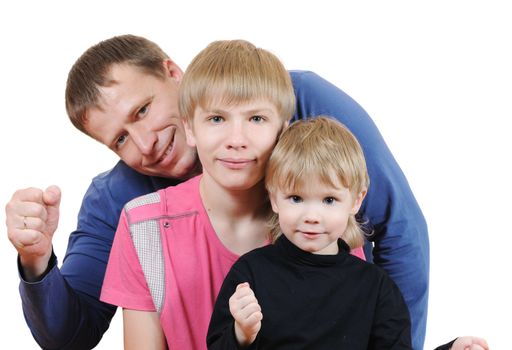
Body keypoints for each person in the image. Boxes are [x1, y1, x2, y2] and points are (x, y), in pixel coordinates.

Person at [5, 35, 428, 349]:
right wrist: (36, 261)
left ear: (173, 74)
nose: (145, 142)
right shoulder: (124, 206)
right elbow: (69, 334)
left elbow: (397, 226)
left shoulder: (304, 103)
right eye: (120, 139)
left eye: (143, 110)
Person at [100, 39, 365, 350]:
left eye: (256, 119)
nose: (236, 140)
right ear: (190, 129)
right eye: (216, 119)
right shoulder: (142, 225)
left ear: (283, 130)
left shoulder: (322, 218)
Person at [207, 116, 412, 349]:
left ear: (356, 200)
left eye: (329, 200)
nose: (312, 216)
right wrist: (241, 334)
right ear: (274, 198)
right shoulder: (251, 274)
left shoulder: (376, 288)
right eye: (296, 198)